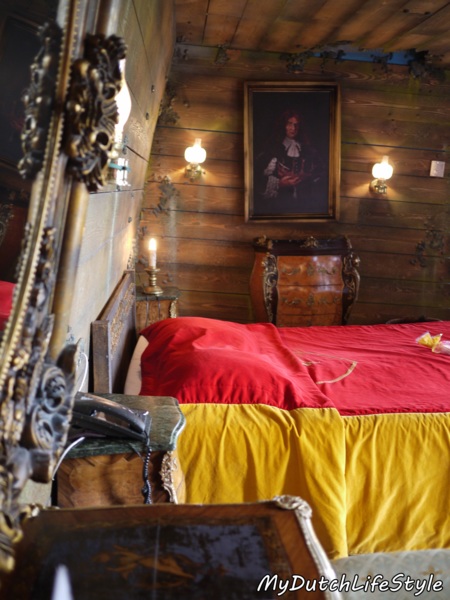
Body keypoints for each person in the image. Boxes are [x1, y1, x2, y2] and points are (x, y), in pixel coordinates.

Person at [256, 109, 325, 209]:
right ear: (283, 125)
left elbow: (322, 174)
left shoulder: (309, 151)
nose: (293, 128)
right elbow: (256, 178)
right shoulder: (272, 150)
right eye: (289, 124)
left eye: (296, 125)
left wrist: (307, 179)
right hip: (279, 205)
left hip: (304, 205)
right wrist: (279, 183)